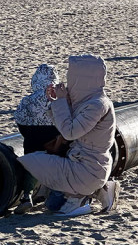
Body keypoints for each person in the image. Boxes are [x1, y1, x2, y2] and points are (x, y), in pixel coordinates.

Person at [18, 54, 120, 216]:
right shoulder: (85, 101)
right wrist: (56, 102)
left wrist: (61, 101)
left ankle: (87, 194)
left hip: (89, 166)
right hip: (79, 161)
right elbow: (62, 123)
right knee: (51, 201)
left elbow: (70, 132)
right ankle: (92, 190)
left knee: (52, 200)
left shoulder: (98, 105)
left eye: (71, 77)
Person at [13, 63, 66, 213]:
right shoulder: (61, 97)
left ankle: (27, 196)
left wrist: (30, 134)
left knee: (31, 165)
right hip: (57, 140)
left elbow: (20, 120)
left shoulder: (28, 100)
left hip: (33, 140)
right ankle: (57, 194)